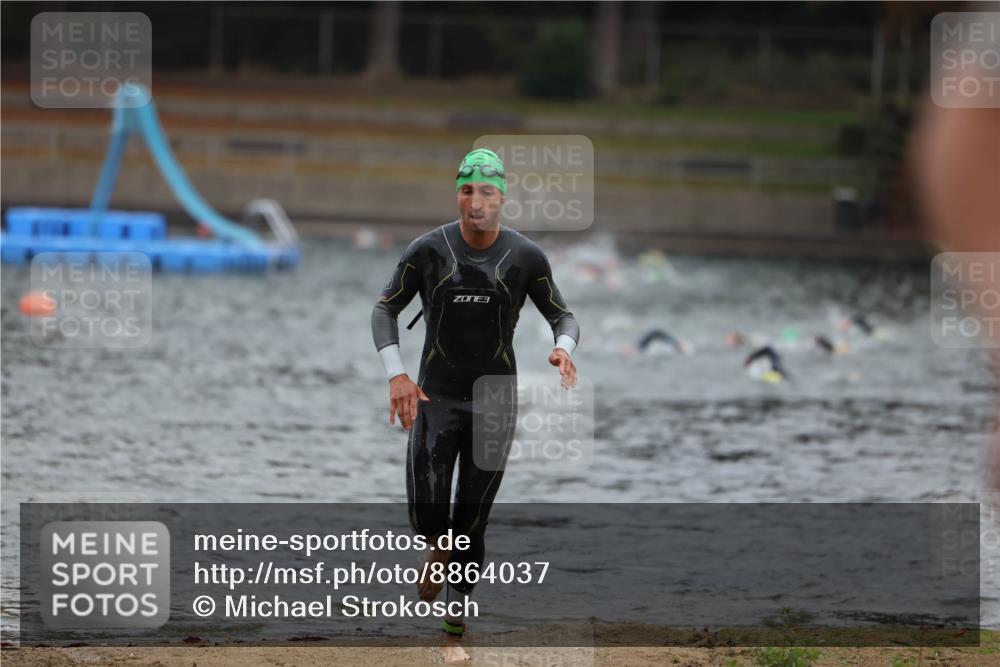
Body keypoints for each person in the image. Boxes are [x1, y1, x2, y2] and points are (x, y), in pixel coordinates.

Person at [371, 148, 580, 643]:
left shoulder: (526, 256)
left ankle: (455, 625)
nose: (476, 201)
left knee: (472, 517)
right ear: (458, 195)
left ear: (502, 196)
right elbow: (384, 310)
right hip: (434, 397)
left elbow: (562, 315)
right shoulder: (429, 250)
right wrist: (396, 375)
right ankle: (436, 546)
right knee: (426, 514)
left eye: (486, 191)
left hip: (494, 402)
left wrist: (562, 349)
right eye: (467, 190)